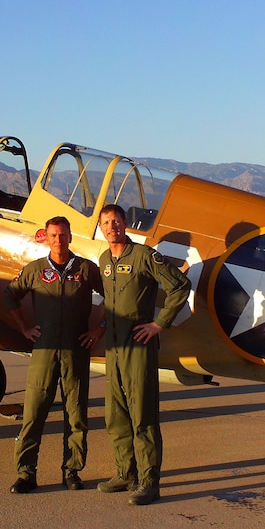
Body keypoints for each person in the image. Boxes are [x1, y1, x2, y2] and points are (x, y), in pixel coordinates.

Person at [96, 203, 191, 506]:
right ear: (101, 228)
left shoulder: (144, 256)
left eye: (116, 221)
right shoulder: (103, 260)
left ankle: (149, 482)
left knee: (142, 414)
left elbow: (180, 286)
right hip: (113, 347)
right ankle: (127, 473)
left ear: (126, 224)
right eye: (106, 222)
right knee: (116, 413)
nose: (112, 226)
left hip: (138, 345)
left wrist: (159, 324)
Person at [3, 216, 104, 494]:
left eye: (63, 235)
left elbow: (115, 295)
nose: (59, 240)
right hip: (44, 351)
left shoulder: (86, 269)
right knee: (34, 414)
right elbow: (10, 295)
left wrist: (99, 329)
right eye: (54, 235)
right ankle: (26, 473)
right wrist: (24, 327)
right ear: (46, 238)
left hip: (76, 350)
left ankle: (71, 471)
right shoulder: (35, 270)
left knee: (76, 415)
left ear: (70, 237)